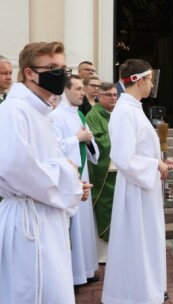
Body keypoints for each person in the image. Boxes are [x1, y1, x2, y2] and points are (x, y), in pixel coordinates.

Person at [0, 41, 91, 304]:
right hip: (27, 220)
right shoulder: (14, 111)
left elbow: (47, 161)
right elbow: (16, 167)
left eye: (63, 68)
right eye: (51, 68)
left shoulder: (41, 111)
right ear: (29, 73)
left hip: (46, 215)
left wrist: (71, 180)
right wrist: (69, 181)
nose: (60, 74)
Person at [102, 59, 173, 303]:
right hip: (135, 189)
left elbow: (140, 149)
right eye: (151, 80)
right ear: (138, 80)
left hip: (144, 186)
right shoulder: (124, 111)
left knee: (148, 241)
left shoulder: (134, 107)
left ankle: (149, 290)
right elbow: (123, 157)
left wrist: (162, 160)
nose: (152, 84)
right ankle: (135, 294)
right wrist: (154, 164)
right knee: (137, 242)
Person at [48, 75, 100, 287]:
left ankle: (86, 270)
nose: (82, 92)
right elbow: (53, 147)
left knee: (84, 226)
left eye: (82, 89)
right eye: (78, 88)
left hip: (83, 175)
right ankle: (73, 276)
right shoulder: (55, 116)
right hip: (68, 179)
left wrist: (87, 142)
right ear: (66, 90)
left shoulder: (79, 114)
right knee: (73, 227)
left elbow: (90, 144)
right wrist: (76, 139)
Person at [86, 82, 118, 263]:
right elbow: (96, 143)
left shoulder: (116, 114)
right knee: (105, 209)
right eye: (109, 95)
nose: (113, 98)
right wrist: (116, 134)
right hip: (104, 172)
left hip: (117, 170)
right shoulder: (93, 115)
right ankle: (103, 254)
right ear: (98, 96)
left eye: (115, 95)